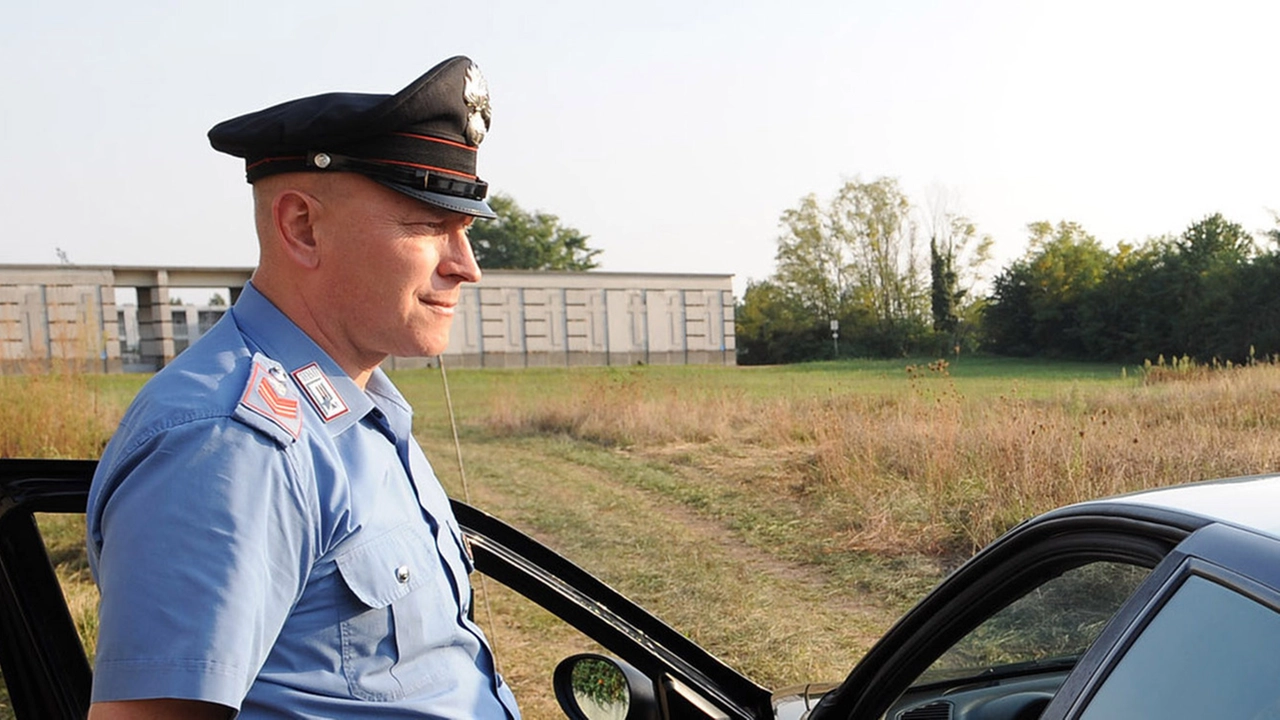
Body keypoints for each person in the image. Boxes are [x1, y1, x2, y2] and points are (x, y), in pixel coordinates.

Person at [85, 56, 520, 719]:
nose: (466, 267)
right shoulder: (231, 445)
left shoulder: (353, 409)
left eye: (463, 231)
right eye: (430, 227)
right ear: (302, 227)